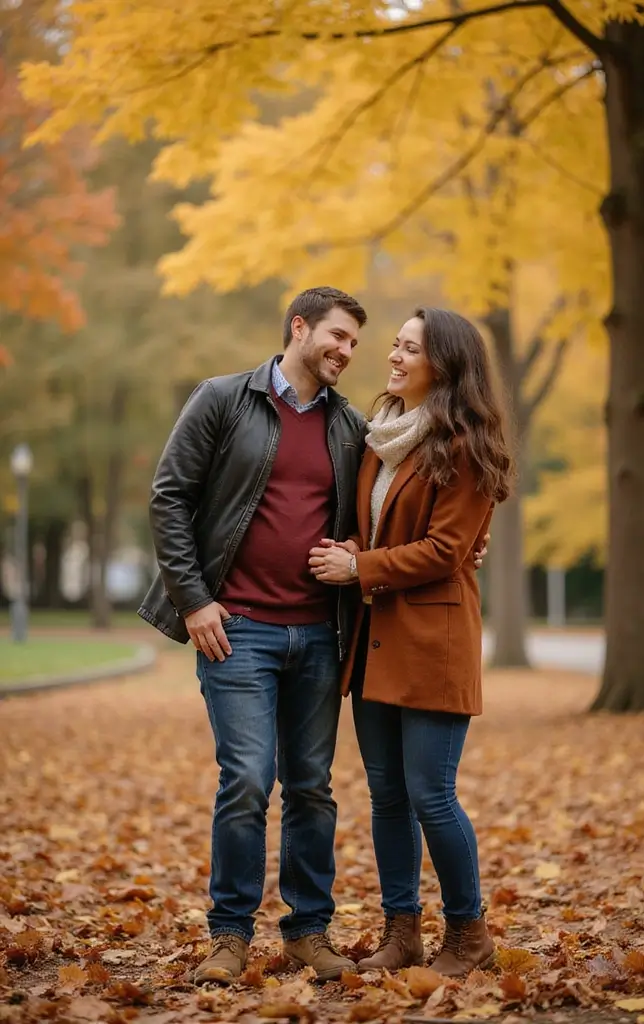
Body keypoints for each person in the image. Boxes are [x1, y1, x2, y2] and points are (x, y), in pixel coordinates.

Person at [139, 287, 489, 985]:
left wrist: (457, 547)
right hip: (236, 630)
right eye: (338, 336)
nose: (351, 351)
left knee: (314, 789)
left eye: (361, 342)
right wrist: (195, 601)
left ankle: (309, 932)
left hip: (324, 638)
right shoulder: (224, 400)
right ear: (298, 328)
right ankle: (230, 936)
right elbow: (169, 496)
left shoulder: (350, 425)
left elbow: (412, 521)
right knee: (246, 781)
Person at [309, 307, 512, 978]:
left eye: (409, 349)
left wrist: (360, 567)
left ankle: (468, 935)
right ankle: (404, 933)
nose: (393, 357)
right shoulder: (379, 437)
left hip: (433, 641)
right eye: (393, 345)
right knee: (387, 794)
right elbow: (377, 529)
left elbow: (448, 549)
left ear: (445, 365)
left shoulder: (469, 446)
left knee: (432, 794)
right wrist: (353, 550)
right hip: (373, 641)